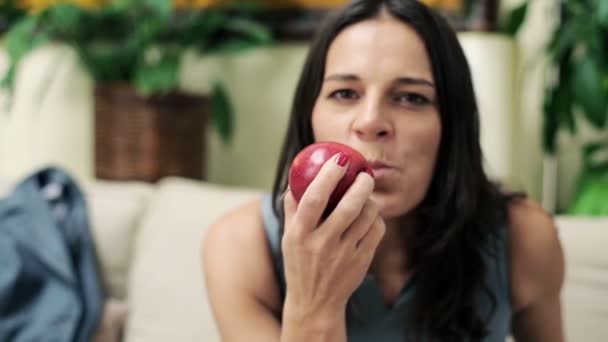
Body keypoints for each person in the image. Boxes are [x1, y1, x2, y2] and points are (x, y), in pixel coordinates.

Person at [202, 1, 565, 341]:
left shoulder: (524, 239)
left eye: (411, 97)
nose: (371, 122)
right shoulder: (240, 249)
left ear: (451, 128)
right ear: (308, 116)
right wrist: (314, 305)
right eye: (345, 93)